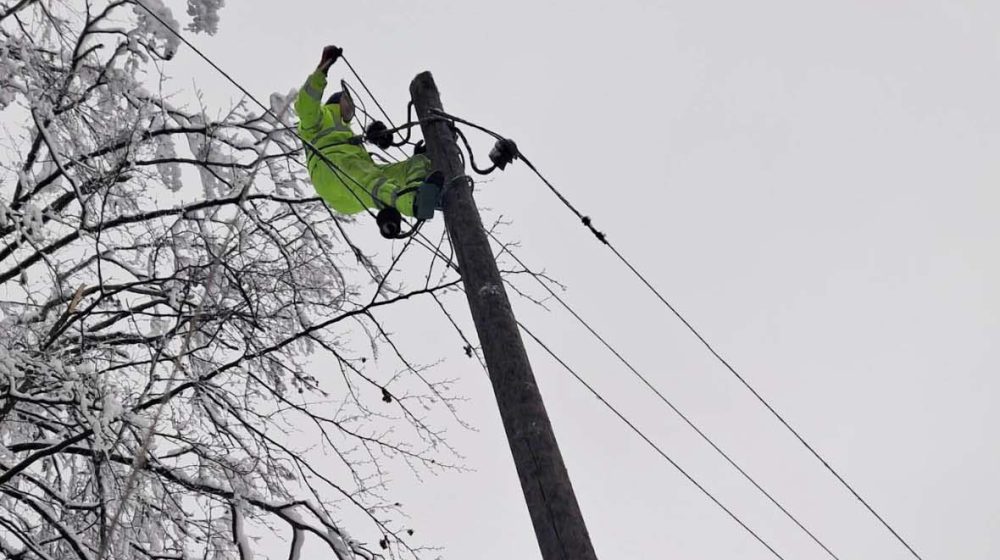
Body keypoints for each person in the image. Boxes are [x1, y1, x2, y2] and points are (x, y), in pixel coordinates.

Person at [295, 45, 433, 219]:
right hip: (331, 170)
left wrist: (376, 135)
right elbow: (305, 105)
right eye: (348, 101)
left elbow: (361, 157)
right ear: (338, 100)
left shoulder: (347, 132)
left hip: (352, 180)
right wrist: (322, 70)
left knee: (406, 167)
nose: (352, 108)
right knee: (370, 179)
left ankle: (422, 186)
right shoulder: (321, 117)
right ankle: (412, 203)